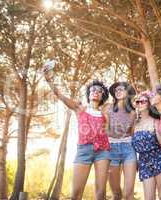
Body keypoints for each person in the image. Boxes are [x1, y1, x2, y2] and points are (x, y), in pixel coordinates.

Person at [43, 66, 110, 200]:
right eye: (93, 89)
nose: (95, 91)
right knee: (75, 194)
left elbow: (109, 132)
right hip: (84, 150)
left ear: (103, 95)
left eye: (99, 90)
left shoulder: (105, 114)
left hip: (103, 151)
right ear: (89, 94)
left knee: (101, 194)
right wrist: (49, 80)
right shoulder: (79, 108)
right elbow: (61, 96)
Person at [105, 82, 137, 200]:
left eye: (121, 89)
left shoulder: (133, 112)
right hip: (111, 148)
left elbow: (133, 134)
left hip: (128, 149)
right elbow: (105, 129)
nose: (118, 91)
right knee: (116, 194)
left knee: (129, 194)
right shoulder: (108, 108)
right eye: (116, 90)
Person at [131, 91, 161, 200]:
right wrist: (134, 162)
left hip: (159, 159)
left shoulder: (156, 121)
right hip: (144, 162)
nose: (139, 103)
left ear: (149, 103)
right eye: (137, 102)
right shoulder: (134, 124)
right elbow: (131, 145)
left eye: (143, 101)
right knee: (149, 198)